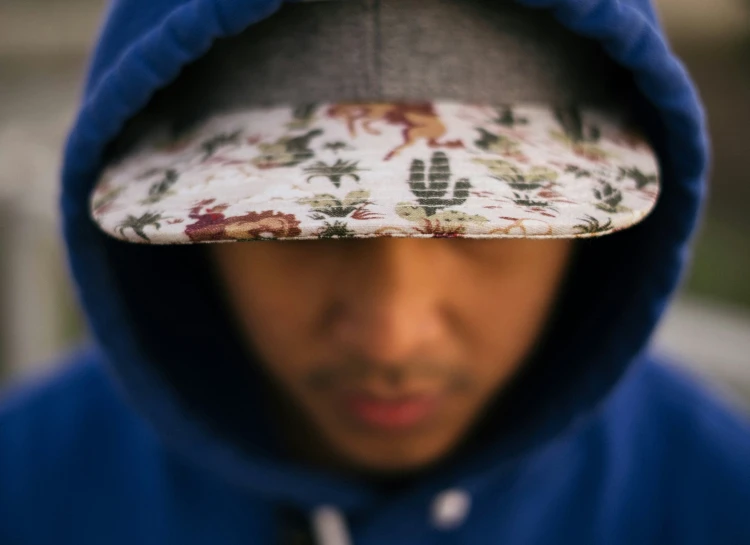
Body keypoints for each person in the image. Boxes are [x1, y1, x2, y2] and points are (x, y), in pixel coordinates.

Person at [1, 0, 749, 543]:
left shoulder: (717, 498)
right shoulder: (26, 488)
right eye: (288, 227)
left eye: (487, 219)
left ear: (602, 242)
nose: (392, 336)